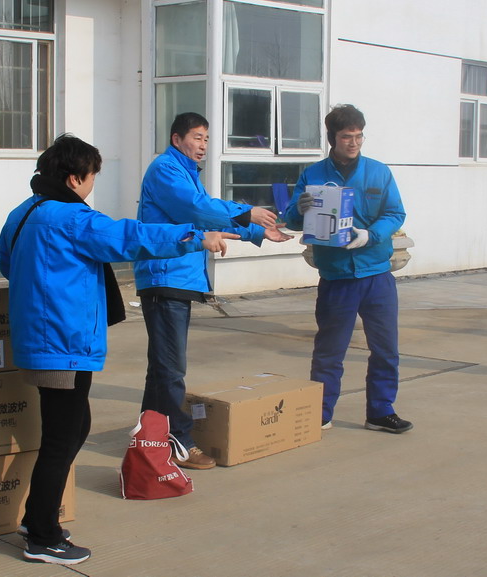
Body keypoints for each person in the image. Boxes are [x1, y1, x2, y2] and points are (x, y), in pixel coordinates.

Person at [0, 134, 239, 565]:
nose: (93, 185)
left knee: (73, 427)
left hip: (41, 338)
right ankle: (42, 536)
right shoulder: (72, 217)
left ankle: (37, 520)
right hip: (64, 343)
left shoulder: (23, 213)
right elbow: (131, 237)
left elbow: (5, 263)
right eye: (92, 176)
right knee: (61, 438)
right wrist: (194, 237)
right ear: (74, 178)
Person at [134, 112, 293, 470]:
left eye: (206, 138)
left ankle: (149, 438)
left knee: (162, 369)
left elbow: (205, 217)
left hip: (177, 278)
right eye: (196, 137)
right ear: (176, 140)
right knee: (171, 369)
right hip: (165, 277)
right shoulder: (166, 170)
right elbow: (197, 210)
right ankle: (179, 440)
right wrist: (247, 213)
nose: (203, 145)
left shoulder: (186, 174)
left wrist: (257, 232)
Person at [282, 104, 413, 434]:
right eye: (346, 137)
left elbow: (395, 213)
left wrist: (371, 235)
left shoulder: (378, 172)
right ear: (332, 138)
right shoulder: (313, 175)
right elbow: (292, 219)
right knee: (329, 351)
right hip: (336, 276)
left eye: (358, 136)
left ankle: (380, 411)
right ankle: (321, 413)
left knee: (385, 349)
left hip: (376, 274)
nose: (353, 143)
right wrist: (298, 209)